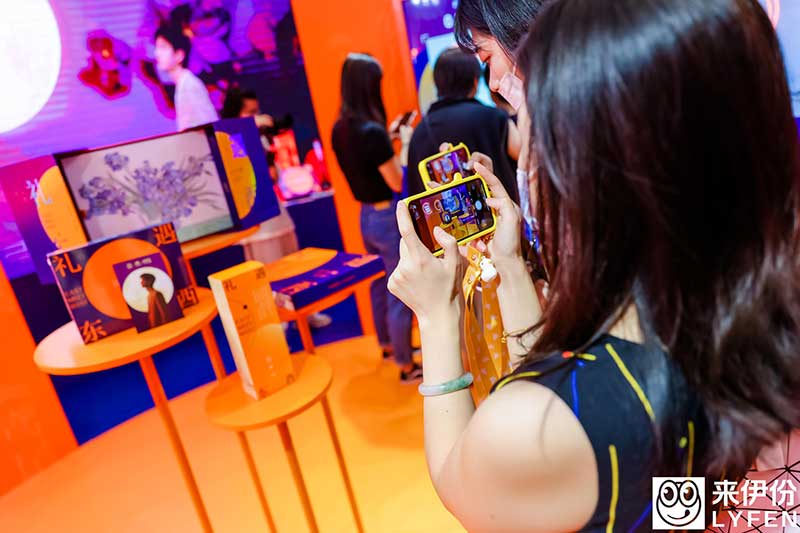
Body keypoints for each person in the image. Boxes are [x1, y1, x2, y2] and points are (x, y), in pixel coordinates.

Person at [388, 0, 800, 530]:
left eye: (529, 126)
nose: (527, 156)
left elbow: (461, 485)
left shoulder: (541, 426)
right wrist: (511, 264)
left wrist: (438, 318)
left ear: (587, 169)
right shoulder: (743, 310)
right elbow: (678, 498)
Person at [331, 53, 420, 383]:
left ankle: (387, 345)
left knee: (380, 285)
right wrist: (402, 147)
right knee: (399, 288)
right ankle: (406, 364)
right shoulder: (372, 132)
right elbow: (396, 181)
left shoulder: (340, 128)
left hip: (366, 216)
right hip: (386, 217)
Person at [221, 87, 332, 329]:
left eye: (257, 111)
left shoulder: (259, 136)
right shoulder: (230, 140)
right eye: (250, 112)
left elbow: (273, 176)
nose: (257, 116)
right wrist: (250, 130)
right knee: (267, 274)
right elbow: (241, 173)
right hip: (256, 218)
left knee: (293, 264)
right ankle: (277, 323)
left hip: (276, 210)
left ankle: (304, 313)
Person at [405, 48, 521, 203]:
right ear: (475, 82)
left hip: (447, 215)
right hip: (502, 210)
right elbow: (526, 157)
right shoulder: (493, 116)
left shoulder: (420, 131)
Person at [154, 25, 219, 131]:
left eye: (163, 47)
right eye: (156, 47)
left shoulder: (189, 85)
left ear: (179, 55)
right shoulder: (183, 83)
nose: (156, 53)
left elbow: (208, 124)